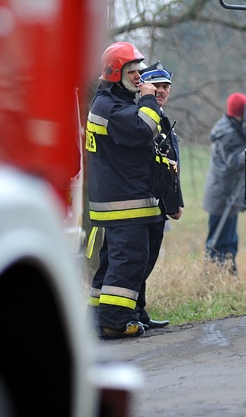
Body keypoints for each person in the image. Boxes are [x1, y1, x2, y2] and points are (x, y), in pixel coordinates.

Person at [85, 41, 170, 339]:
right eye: (132, 72)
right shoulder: (111, 108)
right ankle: (114, 322)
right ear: (114, 74)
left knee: (115, 262)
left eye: (139, 71)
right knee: (129, 260)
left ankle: (107, 315)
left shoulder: (114, 104)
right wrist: (149, 101)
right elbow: (143, 129)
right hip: (124, 202)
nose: (139, 78)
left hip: (126, 199)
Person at [134, 62, 184, 328]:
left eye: (166, 87)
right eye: (157, 86)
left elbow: (172, 165)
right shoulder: (144, 117)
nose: (162, 91)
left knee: (149, 259)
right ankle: (133, 312)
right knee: (139, 261)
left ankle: (139, 311)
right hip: (145, 201)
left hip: (160, 202)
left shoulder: (163, 118)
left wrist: (177, 202)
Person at [203, 92, 246, 273]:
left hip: (229, 193)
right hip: (223, 195)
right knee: (218, 240)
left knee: (230, 239)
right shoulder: (227, 133)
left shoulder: (233, 126)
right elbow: (235, 161)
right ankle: (214, 275)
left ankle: (228, 274)